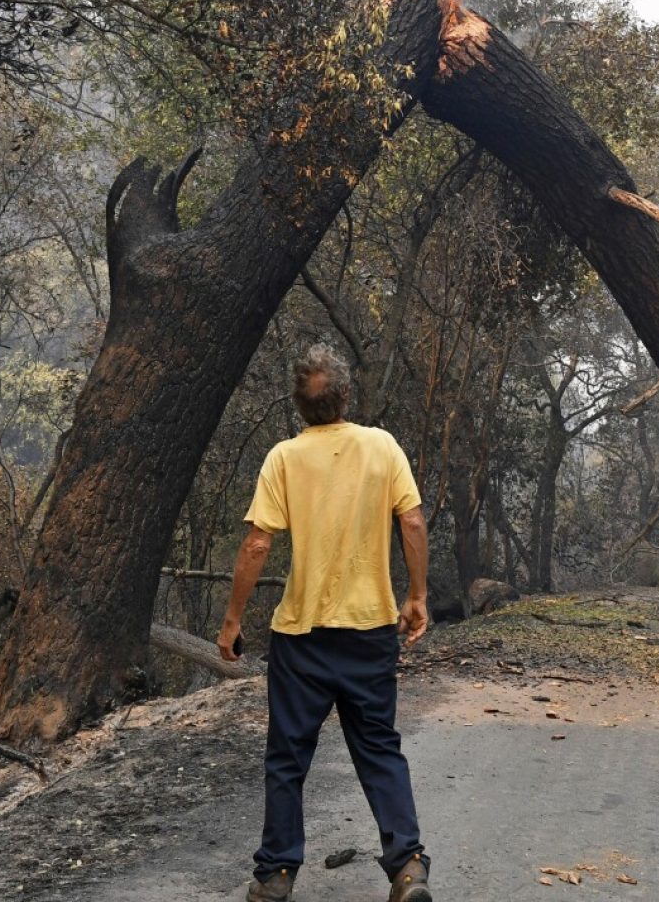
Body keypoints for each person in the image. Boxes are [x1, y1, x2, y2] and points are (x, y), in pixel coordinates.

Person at [217, 344, 432, 902]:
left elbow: (258, 542)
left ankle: (276, 875)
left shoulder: (284, 458)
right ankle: (407, 866)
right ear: (345, 395)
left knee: (288, 756)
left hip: (302, 638)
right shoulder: (381, 446)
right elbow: (411, 521)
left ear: (298, 403)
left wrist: (233, 619)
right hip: (369, 632)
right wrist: (418, 597)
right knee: (379, 747)